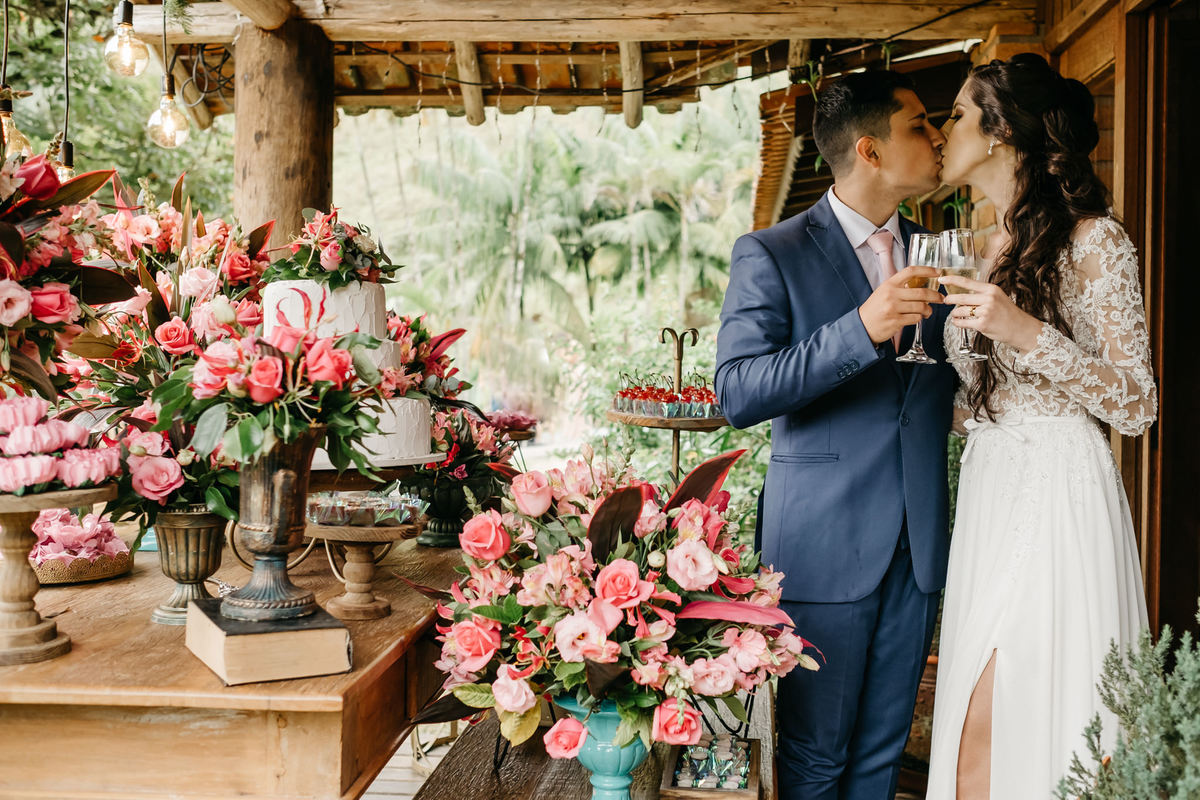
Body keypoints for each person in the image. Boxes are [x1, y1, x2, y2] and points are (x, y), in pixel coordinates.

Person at [715, 71, 955, 799]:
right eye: (919, 125)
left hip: (917, 546)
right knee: (815, 757)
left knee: (882, 757)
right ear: (870, 150)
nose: (939, 137)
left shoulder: (943, 253)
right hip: (822, 545)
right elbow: (738, 391)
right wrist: (859, 330)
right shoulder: (772, 251)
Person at [928, 53, 1156, 799]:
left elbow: (1137, 405)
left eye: (957, 114)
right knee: (967, 723)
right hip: (990, 493)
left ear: (999, 133)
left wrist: (1027, 332)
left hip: (1060, 495)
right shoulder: (985, 249)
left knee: (1011, 721)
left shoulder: (1097, 243)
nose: (943, 130)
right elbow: (979, 401)